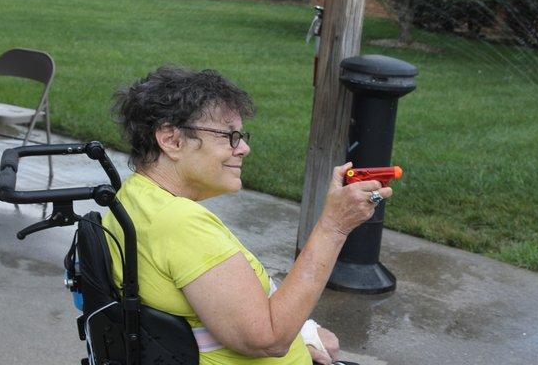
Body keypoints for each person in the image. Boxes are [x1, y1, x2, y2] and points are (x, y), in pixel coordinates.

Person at [103, 65, 393, 365]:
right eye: (229, 136)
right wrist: (334, 226)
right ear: (172, 140)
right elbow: (268, 338)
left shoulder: (135, 197)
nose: (244, 148)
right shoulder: (180, 224)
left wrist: (303, 335)